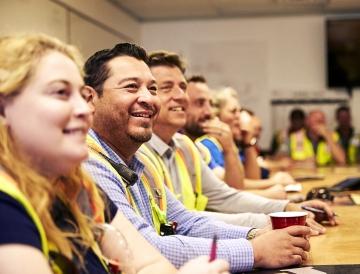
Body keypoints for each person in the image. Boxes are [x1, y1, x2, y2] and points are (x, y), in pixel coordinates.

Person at [0, 34, 229, 274]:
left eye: (81, 94)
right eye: (60, 93)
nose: (83, 108)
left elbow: (147, 264)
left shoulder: (77, 188)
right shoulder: (5, 207)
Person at [82, 42, 314, 272]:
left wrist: (256, 234)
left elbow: (186, 222)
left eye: (152, 89)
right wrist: (254, 249)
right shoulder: (89, 163)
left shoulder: (138, 159)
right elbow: (147, 247)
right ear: (90, 99)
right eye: (131, 87)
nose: (149, 98)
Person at [145, 51, 336, 228]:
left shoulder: (185, 147)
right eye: (167, 88)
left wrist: (287, 208)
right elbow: (182, 219)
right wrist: (273, 219)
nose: (180, 96)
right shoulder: (140, 154)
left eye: (182, 87)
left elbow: (224, 196)